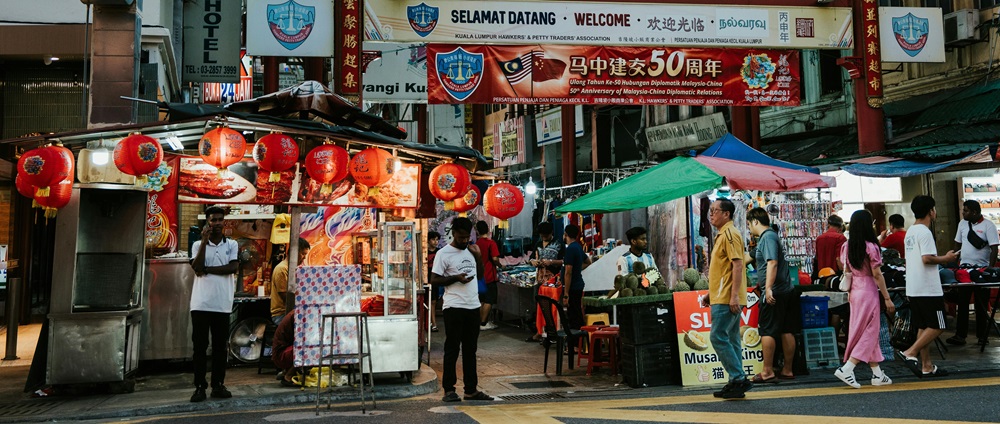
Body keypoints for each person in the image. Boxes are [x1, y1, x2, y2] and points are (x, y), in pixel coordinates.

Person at [431, 217, 493, 402]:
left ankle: (471, 390)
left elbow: (480, 276)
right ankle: (449, 390)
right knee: (452, 349)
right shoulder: (443, 253)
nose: (465, 240)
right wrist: (456, 278)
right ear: (453, 234)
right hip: (454, 307)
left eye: (467, 237)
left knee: (470, 349)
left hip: (473, 306)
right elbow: (434, 280)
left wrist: (479, 257)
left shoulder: (472, 250)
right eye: (461, 237)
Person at [833, 210, 896, 389]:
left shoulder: (847, 246)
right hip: (869, 290)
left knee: (864, 330)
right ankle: (848, 368)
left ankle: (878, 374)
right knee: (870, 331)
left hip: (854, 291)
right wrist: (887, 298)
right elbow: (877, 274)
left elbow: (846, 270)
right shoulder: (871, 246)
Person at [899, 195, 958, 378]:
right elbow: (927, 259)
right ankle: (910, 352)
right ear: (931, 211)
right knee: (939, 325)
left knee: (923, 327)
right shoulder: (925, 232)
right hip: (928, 287)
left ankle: (927, 366)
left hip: (914, 286)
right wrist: (947, 258)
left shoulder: (911, 231)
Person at [701, 198, 752, 399]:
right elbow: (723, 270)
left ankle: (738, 378)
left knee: (717, 337)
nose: (711, 214)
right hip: (722, 296)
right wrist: (711, 294)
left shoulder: (730, 234)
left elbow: (737, 265)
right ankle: (735, 381)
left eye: (715, 210)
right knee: (731, 338)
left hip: (727, 298)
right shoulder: (723, 234)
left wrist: (733, 297)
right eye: (710, 210)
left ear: (726, 214)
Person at [188, 205, 239, 403]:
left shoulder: (231, 244)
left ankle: (218, 385)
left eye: (219, 220)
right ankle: (199, 387)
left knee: (220, 348)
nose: (217, 223)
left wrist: (207, 269)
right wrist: (203, 241)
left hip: (222, 304)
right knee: (199, 348)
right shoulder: (197, 245)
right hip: (200, 304)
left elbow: (232, 267)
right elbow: (196, 266)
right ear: (207, 222)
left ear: (223, 222)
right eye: (213, 220)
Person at [747, 207, 798, 383]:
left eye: (749, 224)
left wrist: (768, 288)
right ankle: (787, 370)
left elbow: (772, 263)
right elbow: (748, 258)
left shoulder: (767, 237)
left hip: (775, 292)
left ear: (755, 221)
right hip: (786, 291)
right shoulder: (768, 238)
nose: (749, 228)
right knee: (786, 330)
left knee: (767, 330)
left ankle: (767, 371)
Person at [947, 200, 998, 346]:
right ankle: (960, 335)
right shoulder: (962, 224)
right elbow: (957, 244)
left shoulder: (988, 225)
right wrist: (954, 263)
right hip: (964, 270)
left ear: (975, 212)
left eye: (966, 211)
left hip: (981, 270)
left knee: (981, 304)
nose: (963, 213)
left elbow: (994, 248)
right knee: (962, 302)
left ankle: (982, 336)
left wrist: (989, 269)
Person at [527, 222, 564, 342]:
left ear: (551, 233)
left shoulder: (558, 244)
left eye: (546, 236)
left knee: (552, 307)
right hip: (540, 281)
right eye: (542, 236)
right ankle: (540, 331)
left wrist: (552, 262)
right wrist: (533, 262)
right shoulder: (538, 244)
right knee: (539, 307)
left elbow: (565, 261)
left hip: (553, 282)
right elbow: (531, 258)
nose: (543, 238)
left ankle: (553, 332)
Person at [270, 238, 311, 327]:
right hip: (281, 315)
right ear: (294, 252)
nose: (304, 257)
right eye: (303, 254)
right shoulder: (282, 269)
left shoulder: (293, 269)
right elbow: (286, 297)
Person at [562, 224, 590, 332]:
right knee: (577, 312)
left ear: (565, 235)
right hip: (578, 285)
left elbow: (568, 272)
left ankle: (576, 338)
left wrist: (566, 294)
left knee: (574, 316)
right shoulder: (578, 247)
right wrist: (577, 268)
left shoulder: (570, 249)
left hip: (573, 287)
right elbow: (588, 262)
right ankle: (579, 338)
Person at [475, 221, 501, 331]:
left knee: (481, 299)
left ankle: (479, 322)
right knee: (489, 300)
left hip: (480, 276)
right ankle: (483, 322)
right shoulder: (491, 243)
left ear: (477, 231)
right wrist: (500, 265)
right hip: (490, 275)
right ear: (488, 229)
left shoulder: (476, 244)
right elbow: (495, 258)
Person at [272, 311, 298, 387]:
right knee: (306, 350)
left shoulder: (294, 313)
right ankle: (288, 376)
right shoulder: (296, 315)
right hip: (280, 355)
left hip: (284, 351)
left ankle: (285, 372)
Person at [427, 231, 441, 333]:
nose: (435, 242)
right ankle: (433, 323)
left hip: (436, 279)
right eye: (433, 239)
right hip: (427, 279)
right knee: (430, 301)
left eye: (437, 240)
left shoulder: (439, 252)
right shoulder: (425, 252)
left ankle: (432, 322)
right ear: (428, 240)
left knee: (434, 301)